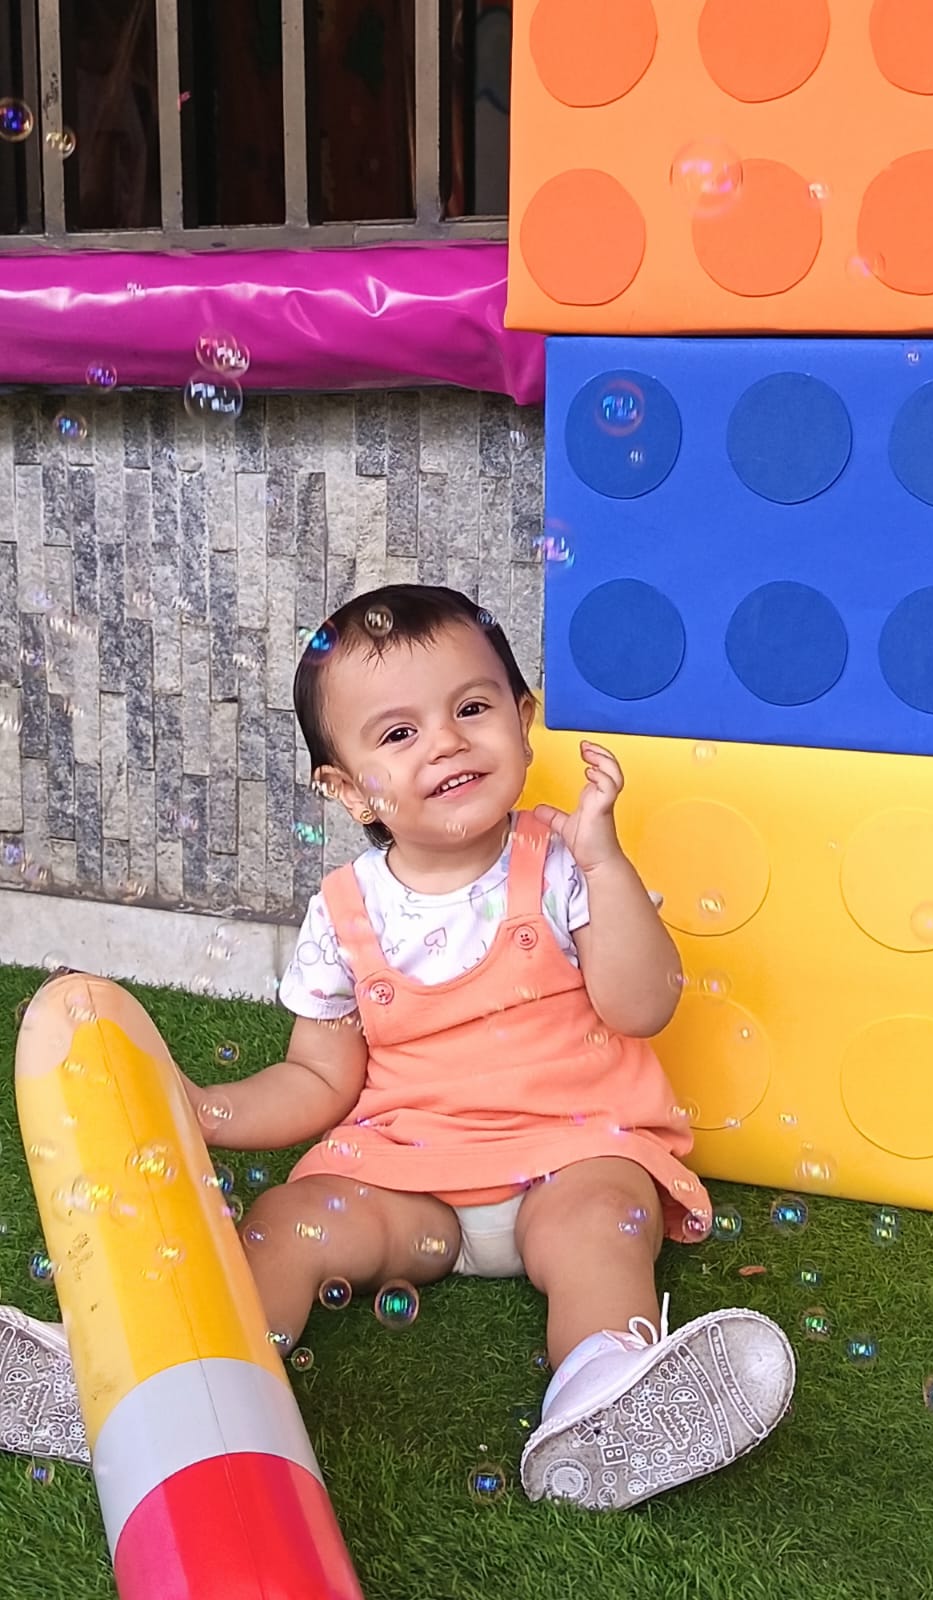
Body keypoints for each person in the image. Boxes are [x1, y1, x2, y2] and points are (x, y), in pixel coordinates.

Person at [0, 585, 794, 1510]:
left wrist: (610, 867)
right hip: (411, 1176)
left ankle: (601, 1395)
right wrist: (208, 1111)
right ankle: (161, 1369)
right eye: (398, 734)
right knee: (288, 1225)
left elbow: (645, 1005)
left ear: (523, 720)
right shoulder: (345, 913)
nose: (447, 742)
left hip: (574, 1147)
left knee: (595, 1231)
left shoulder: (565, 860)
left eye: (471, 708)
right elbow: (317, 1076)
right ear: (343, 787)